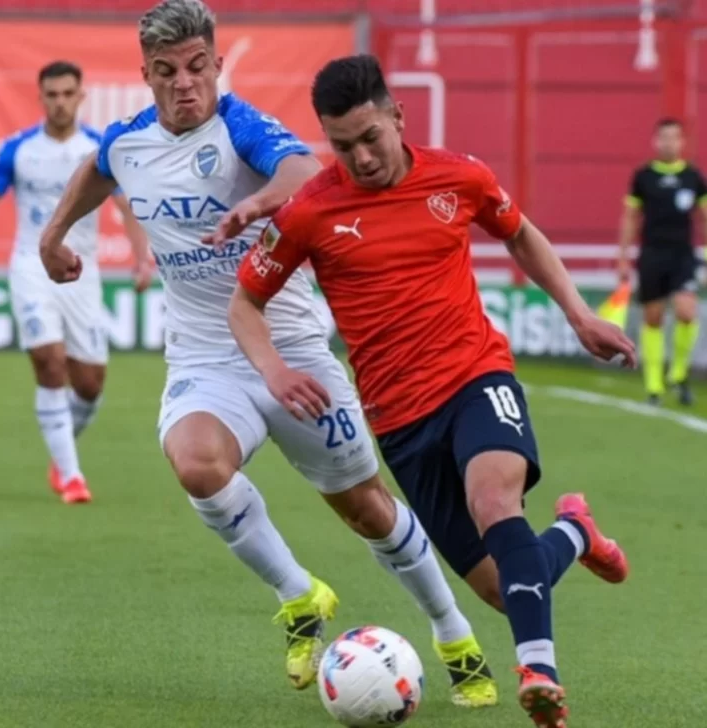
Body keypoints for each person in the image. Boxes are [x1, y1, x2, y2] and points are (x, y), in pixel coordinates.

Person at [38, 0, 499, 708]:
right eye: (166, 72)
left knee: (366, 509)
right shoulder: (129, 142)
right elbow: (99, 170)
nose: (184, 83)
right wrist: (54, 235)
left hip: (291, 350)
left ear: (217, 65)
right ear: (146, 75)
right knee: (196, 463)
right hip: (205, 361)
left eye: (197, 67)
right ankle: (300, 596)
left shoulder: (241, 127)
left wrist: (255, 208)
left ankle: (453, 634)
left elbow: (300, 170)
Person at [230, 54, 637, 728]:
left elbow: (521, 234)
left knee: (493, 497)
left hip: (476, 375)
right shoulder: (309, 211)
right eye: (342, 145)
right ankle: (574, 531)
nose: (360, 157)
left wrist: (579, 314)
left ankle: (538, 667)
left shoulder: (461, 176)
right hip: (399, 421)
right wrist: (275, 370)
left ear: (397, 117)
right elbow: (245, 304)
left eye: (370, 137)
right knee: (508, 589)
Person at [0, 60, 152, 504]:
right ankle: (73, 478)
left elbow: (127, 206)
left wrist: (140, 258)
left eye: (67, 94)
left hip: (83, 273)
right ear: (41, 98)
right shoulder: (18, 149)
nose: (59, 102)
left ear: (81, 96)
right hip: (30, 267)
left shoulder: (99, 148)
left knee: (90, 385)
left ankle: (62, 453)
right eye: (51, 95)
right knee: (49, 363)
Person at [618, 117, 706, 406]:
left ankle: (678, 372)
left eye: (674, 138)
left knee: (686, 311)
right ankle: (654, 385)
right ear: (656, 141)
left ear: (682, 142)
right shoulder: (644, 176)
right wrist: (623, 256)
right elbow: (631, 217)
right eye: (664, 138)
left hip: (682, 255)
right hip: (652, 256)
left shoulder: (693, 177)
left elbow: (704, 218)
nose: (669, 143)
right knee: (653, 317)